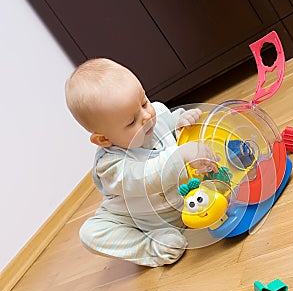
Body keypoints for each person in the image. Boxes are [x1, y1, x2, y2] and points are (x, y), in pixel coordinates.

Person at [65, 58, 218, 267]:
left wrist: (182, 121)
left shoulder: (155, 115)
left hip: (183, 197)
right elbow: (145, 177)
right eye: (131, 121)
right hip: (144, 219)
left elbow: (170, 124)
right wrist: (180, 154)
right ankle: (150, 246)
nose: (147, 115)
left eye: (144, 101)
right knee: (90, 234)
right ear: (104, 139)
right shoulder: (109, 166)